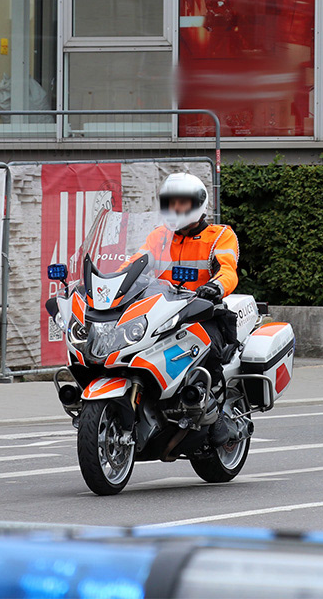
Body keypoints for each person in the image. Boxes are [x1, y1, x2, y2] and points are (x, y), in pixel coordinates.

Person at [130, 173, 240, 444]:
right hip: (160, 313)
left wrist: (215, 286)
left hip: (202, 312)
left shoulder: (219, 236)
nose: (176, 209)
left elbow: (228, 269)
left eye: (182, 203)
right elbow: (135, 263)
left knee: (207, 348)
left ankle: (215, 411)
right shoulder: (159, 236)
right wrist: (108, 284)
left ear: (198, 204)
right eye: (171, 203)